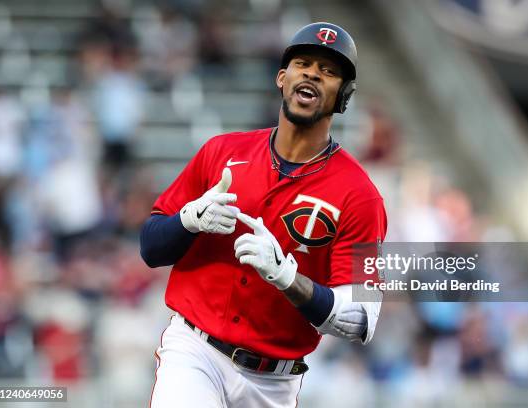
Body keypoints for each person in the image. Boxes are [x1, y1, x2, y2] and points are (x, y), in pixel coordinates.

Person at [140, 22, 387, 408]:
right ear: (281, 77)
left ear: (344, 95)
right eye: (303, 63)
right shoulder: (220, 151)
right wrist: (188, 221)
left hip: (274, 381)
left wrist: (289, 279)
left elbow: (360, 319)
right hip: (194, 352)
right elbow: (151, 247)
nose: (312, 74)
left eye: (328, 70)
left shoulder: (360, 195)